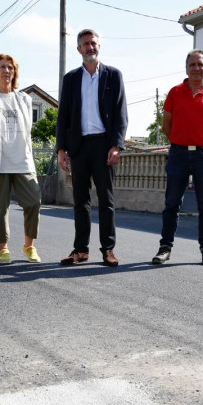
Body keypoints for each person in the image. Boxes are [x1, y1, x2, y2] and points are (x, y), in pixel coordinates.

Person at [55, 29, 128, 267]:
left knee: (106, 200)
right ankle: (81, 250)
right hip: (79, 145)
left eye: (93, 43)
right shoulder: (71, 79)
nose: (90, 47)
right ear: (79, 49)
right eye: (85, 44)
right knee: (80, 200)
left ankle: (108, 250)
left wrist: (117, 145)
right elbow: (63, 116)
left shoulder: (113, 76)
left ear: (99, 46)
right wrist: (61, 149)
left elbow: (120, 114)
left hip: (103, 145)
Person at [151, 49, 203, 267]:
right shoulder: (175, 92)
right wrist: (180, 141)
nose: (196, 68)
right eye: (192, 65)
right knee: (172, 203)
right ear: (186, 68)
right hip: (178, 153)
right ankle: (165, 247)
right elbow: (167, 125)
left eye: (200, 64)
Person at [0, 54, 42, 264]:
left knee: (33, 202)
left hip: (22, 160)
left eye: (10, 68)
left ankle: (28, 246)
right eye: (2, 67)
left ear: (14, 72)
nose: (6, 71)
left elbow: (28, 130)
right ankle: (3, 249)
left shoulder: (24, 99)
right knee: (0, 208)